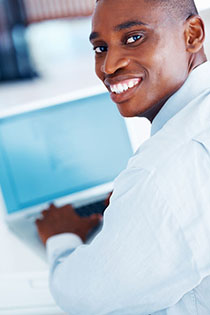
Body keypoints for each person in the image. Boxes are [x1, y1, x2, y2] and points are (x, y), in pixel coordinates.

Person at [36, 0, 210, 314]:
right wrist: (137, 204)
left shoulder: (162, 170)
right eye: (100, 48)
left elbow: (87, 297)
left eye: (133, 38)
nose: (109, 65)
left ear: (192, 34)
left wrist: (60, 237)